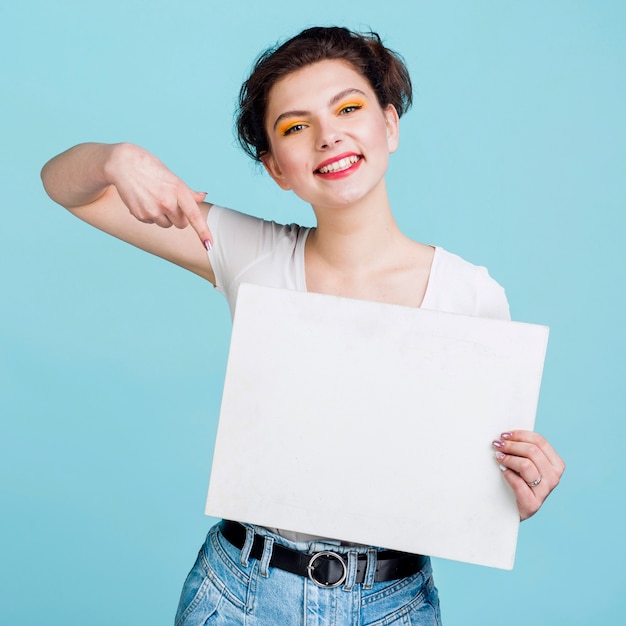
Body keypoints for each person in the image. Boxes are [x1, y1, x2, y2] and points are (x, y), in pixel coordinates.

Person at [41, 26, 565, 626]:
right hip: (239, 591)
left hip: (390, 603)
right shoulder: (246, 251)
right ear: (275, 169)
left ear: (389, 125)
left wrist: (518, 493)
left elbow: (476, 482)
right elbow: (68, 189)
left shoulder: (471, 295)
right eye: (295, 127)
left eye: (348, 108)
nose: (327, 135)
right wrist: (115, 157)